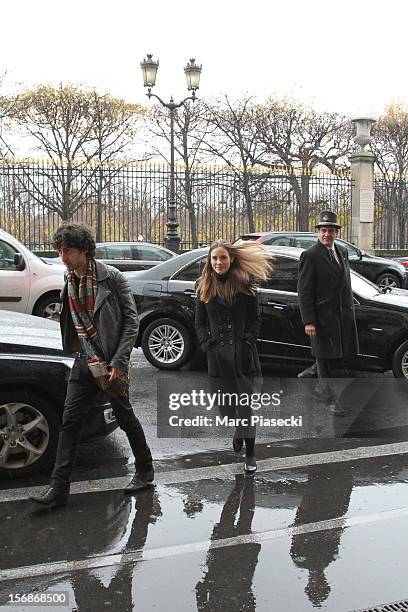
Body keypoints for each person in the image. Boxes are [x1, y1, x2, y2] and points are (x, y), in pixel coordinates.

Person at [31, 223, 153, 508]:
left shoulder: (112, 278)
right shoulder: (69, 280)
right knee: (70, 421)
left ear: (84, 250)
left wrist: (120, 362)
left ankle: (145, 470)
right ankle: (58, 489)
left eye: (68, 250)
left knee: (125, 418)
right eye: (59, 250)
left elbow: (132, 323)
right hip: (83, 362)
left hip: (110, 362)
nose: (62, 255)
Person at [195, 240, 272, 473]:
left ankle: (250, 455)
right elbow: (199, 322)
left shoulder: (245, 284)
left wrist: (249, 339)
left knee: (246, 409)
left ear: (231, 260)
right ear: (210, 261)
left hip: (243, 357)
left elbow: (255, 318)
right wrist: (206, 344)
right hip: (217, 359)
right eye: (215, 258)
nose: (219, 262)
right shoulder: (203, 285)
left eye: (223, 258)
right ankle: (238, 426)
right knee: (227, 410)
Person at [297, 210, 359, 416]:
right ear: (318, 232)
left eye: (331, 230)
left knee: (332, 357)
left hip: (340, 316)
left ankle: (308, 374)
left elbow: (345, 284)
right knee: (323, 359)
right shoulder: (310, 256)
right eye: (323, 230)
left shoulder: (340, 252)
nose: (327, 234)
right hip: (321, 318)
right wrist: (309, 321)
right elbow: (304, 291)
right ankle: (330, 401)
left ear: (336, 232)